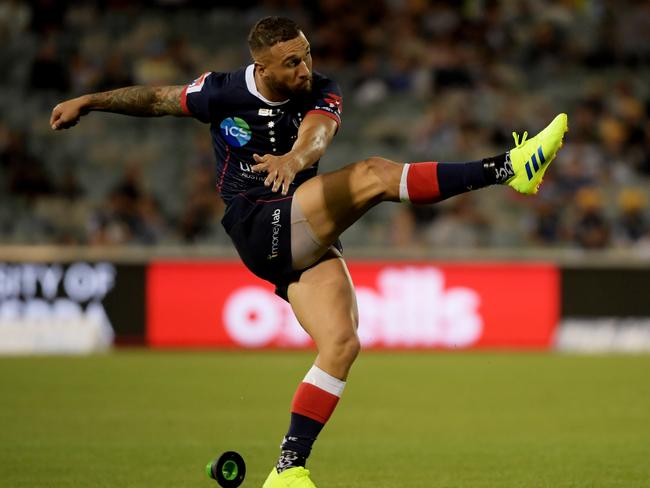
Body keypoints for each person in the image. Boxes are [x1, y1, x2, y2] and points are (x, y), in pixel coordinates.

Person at [50, 16, 568, 488]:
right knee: (372, 175)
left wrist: (296, 158)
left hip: (302, 226)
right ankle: (509, 169)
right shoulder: (221, 92)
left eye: (307, 55)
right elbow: (158, 98)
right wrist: (91, 101)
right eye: (292, 62)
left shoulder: (321, 90)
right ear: (262, 66)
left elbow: (317, 135)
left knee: (342, 343)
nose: (305, 68)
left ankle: (288, 469)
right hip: (256, 224)